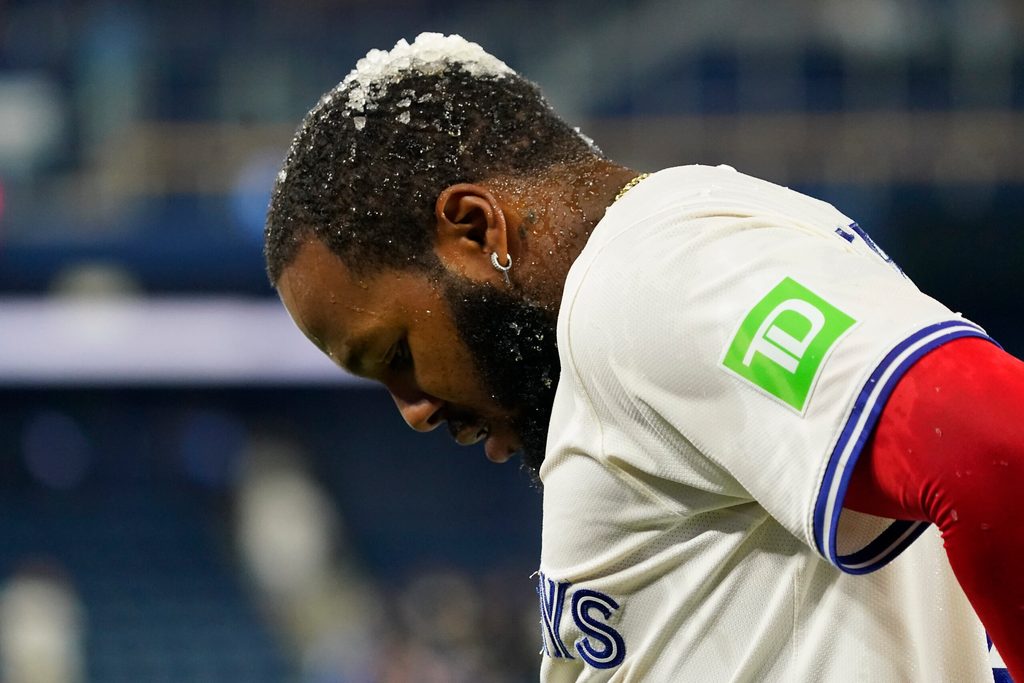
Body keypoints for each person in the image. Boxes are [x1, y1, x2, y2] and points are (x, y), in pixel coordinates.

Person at [265, 33, 1023, 681]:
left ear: (474, 228)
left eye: (397, 352)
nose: (415, 409)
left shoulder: (648, 274)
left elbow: (991, 441)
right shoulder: (643, 290)